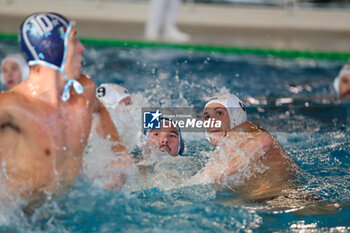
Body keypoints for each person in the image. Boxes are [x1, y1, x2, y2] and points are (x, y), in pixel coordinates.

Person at [0, 13, 131, 201]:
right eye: (74, 41)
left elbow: (99, 109)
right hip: (24, 218)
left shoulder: (85, 91)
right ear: (53, 49)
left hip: (70, 210)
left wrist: (121, 155)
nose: (82, 48)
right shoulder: (13, 107)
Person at [201, 94, 299, 201]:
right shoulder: (222, 152)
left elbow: (264, 140)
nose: (211, 121)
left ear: (235, 117)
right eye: (207, 117)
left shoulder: (244, 129)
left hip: (287, 200)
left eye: (219, 113)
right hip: (260, 203)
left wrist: (221, 172)